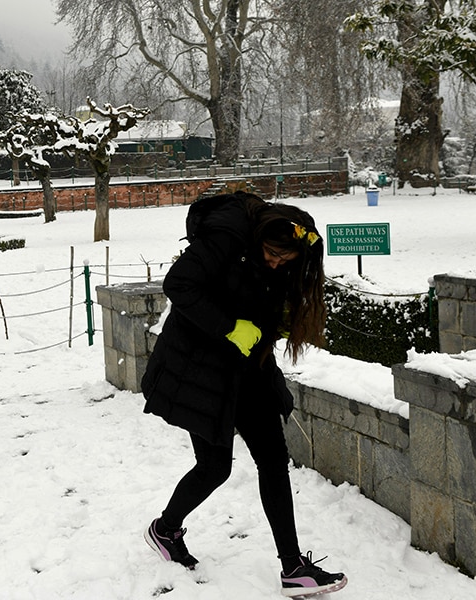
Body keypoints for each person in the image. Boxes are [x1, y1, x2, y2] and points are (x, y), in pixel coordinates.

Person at [140, 192, 347, 597]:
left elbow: (256, 293)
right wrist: (230, 327)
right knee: (215, 467)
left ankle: (293, 568)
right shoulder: (227, 235)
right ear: (260, 235)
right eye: (272, 254)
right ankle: (165, 529)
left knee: (274, 460)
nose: (276, 263)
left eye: (285, 260)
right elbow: (178, 284)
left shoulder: (282, 258)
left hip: (250, 367)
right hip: (201, 368)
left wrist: (276, 323)